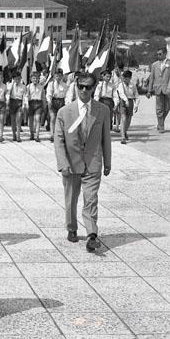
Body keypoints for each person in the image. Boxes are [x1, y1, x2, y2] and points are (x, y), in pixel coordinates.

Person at [54, 72, 111, 253]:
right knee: (71, 199)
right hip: (71, 164)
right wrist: (63, 163)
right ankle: (71, 227)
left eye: (88, 87)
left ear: (94, 88)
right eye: (81, 86)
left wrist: (107, 162)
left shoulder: (102, 110)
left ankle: (92, 235)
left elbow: (106, 138)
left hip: (93, 162)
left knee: (91, 199)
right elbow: (59, 141)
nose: (84, 90)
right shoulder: (64, 112)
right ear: (76, 86)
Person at [147, 48, 170, 133]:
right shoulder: (154, 65)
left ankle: (160, 122)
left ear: (165, 54)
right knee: (159, 109)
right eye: (157, 54)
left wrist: (169, 88)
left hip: (167, 89)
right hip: (158, 88)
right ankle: (161, 126)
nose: (158, 55)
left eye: (160, 54)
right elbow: (151, 78)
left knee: (167, 108)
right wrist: (149, 90)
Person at [46, 68, 69, 142]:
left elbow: (67, 96)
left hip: (61, 102)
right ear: (54, 76)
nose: (58, 77)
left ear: (62, 76)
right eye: (57, 76)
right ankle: (52, 134)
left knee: (61, 120)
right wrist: (49, 102)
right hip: (53, 102)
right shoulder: (51, 84)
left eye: (59, 76)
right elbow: (49, 94)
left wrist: (66, 104)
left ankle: (60, 134)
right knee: (53, 118)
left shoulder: (65, 85)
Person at [117, 70, 139, 144]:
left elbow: (136, 96)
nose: (125, 79)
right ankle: (123, 137)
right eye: (124, 78)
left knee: (129, 120)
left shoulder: (133, 85)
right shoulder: (121, 85)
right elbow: (121, 94)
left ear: (130, 78)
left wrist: (136, 105)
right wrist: (125, 100)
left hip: (130, 101)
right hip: (123, 101)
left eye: (126, 78)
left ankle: (124, 131)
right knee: (123, 118)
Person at [7, 70, 29, 142]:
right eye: (16, 79)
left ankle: (18, 135)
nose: (17, 80)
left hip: (19, 102)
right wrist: (7, 103)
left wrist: (25, 105)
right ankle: (14, 134)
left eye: (19, 79)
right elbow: (7, 95)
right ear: (13, 79)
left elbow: (25, 96)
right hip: (12, 102)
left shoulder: (23, 86)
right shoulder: (10, 85)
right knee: (13, 120)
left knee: (18, 119)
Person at [27, 70, 46, 141]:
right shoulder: (28, 86)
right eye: (33, 78)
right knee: (31, 120)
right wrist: (26, 104)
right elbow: (26, 96)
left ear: (38, 79)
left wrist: (44, 105)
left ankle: (37, 135)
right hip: (31, 103)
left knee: (37, 119)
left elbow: (43, 97)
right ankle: (32, 134)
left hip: (38, 104)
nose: (35, 79)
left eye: (36, 78)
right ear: (31, 79)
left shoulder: (41, 87)